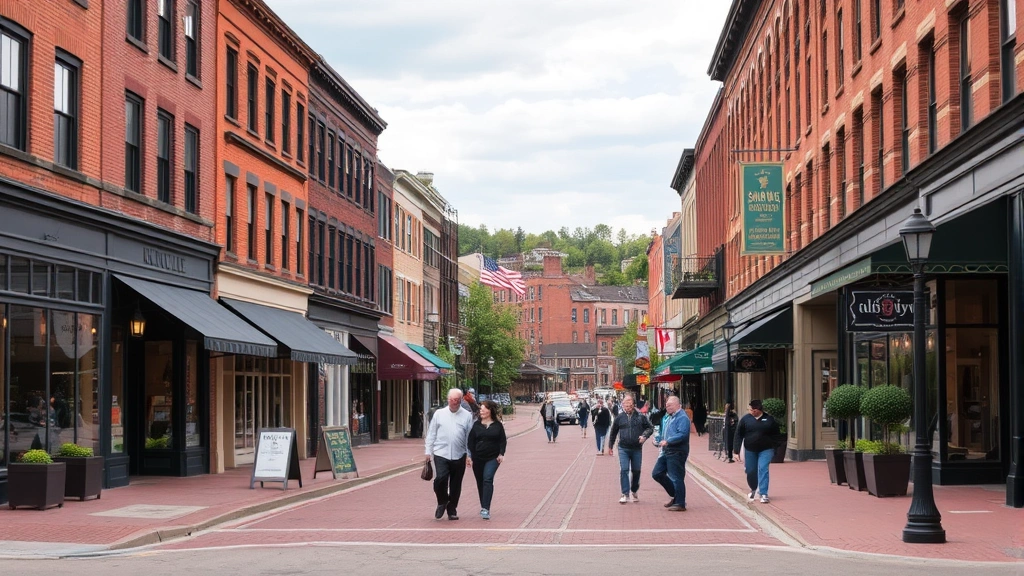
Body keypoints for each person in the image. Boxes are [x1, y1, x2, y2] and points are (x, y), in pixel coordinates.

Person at [424, 388, 474, 520]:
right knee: (440, 479)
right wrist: (428, 451)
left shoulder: (467, 415)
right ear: (448, 400)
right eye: (451, 400)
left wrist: (469, 455)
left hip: (459, 454)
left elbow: (469, 436)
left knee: (456, 484)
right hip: (441, 453)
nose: (454, 403)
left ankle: (452, 509)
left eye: (456, 400)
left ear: (461, 400)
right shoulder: (439, 414)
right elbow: (431, 433)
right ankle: (442, 501)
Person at [734, 398, 785, 504]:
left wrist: (774, 447)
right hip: (750, 449)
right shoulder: (745, 419)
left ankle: (763, 493)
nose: (751, 412)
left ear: (759, 410)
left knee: (763, 469)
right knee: (750, 470)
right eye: (750, 410)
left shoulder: (769, 420)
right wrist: (736, 451)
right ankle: (753, 489)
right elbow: (739, 435)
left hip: (766, 449)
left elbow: (777, 435)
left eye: (753, 410)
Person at [606, 394, 654, 503]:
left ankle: (634, 490)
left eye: (630, 406)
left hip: (636, 448)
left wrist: (644, 436)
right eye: (625, 406)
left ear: (633, 405)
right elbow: (613, 432)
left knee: (636, 471)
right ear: (622, 406)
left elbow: (650, 428)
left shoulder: (640, 416)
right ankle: (624, 493)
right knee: (624, 469)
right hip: (623, 448)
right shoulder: (619, 418)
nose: (627, 408)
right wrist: (610, 446)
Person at [467, 400, 506, 520]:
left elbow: (502, 441)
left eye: (484, 409)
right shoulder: (476, 425)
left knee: (487, 478)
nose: (481, 411)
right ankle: (483, 504)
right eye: (480, 409)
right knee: (480, 482)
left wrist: (501, 454)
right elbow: (470, 442)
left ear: (490, 411)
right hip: (478, 458)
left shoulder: (498, 425)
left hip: (493, 458)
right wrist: (470, 456)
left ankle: (485, 508)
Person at [652, 395, 691, 511]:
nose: (667, 407)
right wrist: (658, 440)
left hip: (677, 451)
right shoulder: (670, 417)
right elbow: (665, 433)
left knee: (676, 477)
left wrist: (668, 441)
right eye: (666, 405)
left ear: (678, 405)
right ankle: (675, 495)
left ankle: (680, 503)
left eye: (669, 405)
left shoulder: (682, 418)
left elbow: (682, 435)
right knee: (657, 473)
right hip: (666, 451)